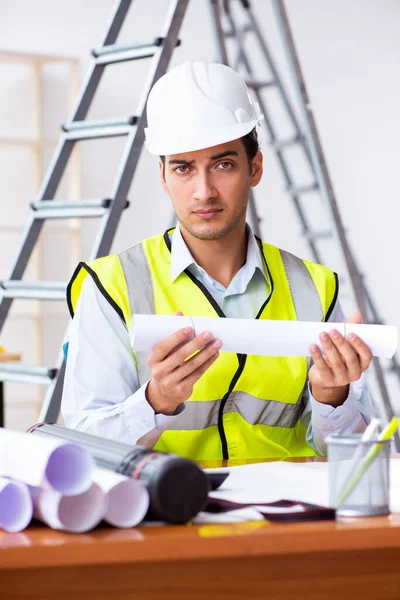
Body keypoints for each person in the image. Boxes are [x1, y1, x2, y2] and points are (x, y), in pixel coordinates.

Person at [61, 61, 373, 461]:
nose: (203, 191)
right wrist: (156, 401)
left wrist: (333, 396)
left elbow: (360, 455)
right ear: (163, 176)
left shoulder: (314, 287)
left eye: (223, 164)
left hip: (288, 516)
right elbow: (85, 448)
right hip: (168, 513)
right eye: (184, 168)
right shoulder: (112, 286)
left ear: (254, 168)